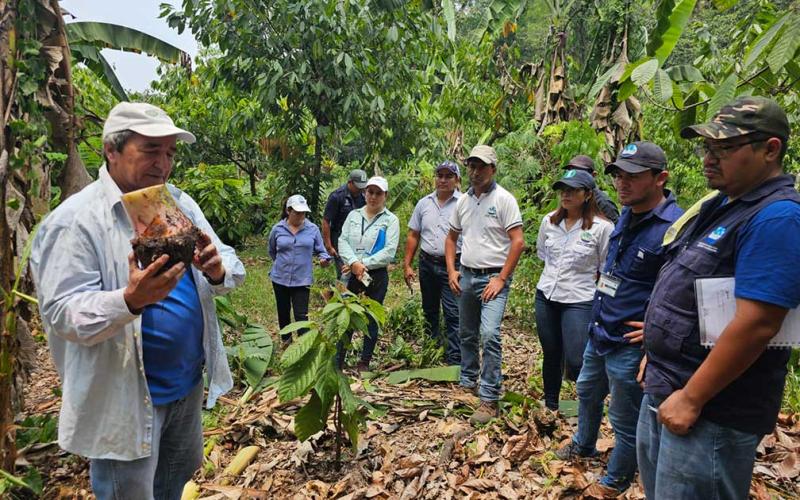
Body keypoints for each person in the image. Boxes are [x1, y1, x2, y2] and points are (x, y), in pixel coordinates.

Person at [29, 102, 245, 500]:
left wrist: (216, 270)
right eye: (150, 150)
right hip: (126, 398)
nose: (163, 164)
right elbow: (62, 313)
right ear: (111, 150)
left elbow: (230, 261)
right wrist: (129, 301)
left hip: (186, 386)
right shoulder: (75, 220)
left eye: (170, 153)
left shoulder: (176, 202)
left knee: (175, 480)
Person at [638, 96, 800, 499]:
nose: (709, 159)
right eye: (707, 147)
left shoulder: (777, 218)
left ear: (770, 150)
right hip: (669, 387)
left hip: (710, 409)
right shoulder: (723, 206)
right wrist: (656, 354)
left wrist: (692, 398)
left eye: (724, 148)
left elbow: (759, 323)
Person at [556, 142, 683, 493]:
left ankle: (616, 478)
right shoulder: (626, 213)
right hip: (601, 327)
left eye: (633, 176)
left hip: (629, 338)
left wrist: (657, 328)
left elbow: (680, 288)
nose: (622, 183)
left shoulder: (673, 226)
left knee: (625, 415)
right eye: (618, 175)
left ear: (660, 178)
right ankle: (584, 443)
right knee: (586, 389)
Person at [446, 145, 524, 425]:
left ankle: (489, 396)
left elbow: (518, 241)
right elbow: (451, 237)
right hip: (467, 274)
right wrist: (452, 270)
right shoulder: (463, 202)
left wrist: (501, 278)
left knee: (489, 333)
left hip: (493, 277)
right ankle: (468, 381)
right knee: (466, 332)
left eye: (481, 166)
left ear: (493, 169)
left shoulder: (504, 200)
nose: (475, 172)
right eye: (472, 166)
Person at [535, 169, 613, 411]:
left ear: (587, 194)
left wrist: (604, 304)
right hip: (547, 295)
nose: (565, 195)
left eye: (572, 190)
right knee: (551, 353)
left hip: (579, 299)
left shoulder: (602, 228)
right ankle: (550, 406)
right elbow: (543, 255)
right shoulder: (549, 221)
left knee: (577, 359)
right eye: (563, 190)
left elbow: (607, 269)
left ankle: (588, 407)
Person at [337, 176, 400, 371]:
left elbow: (389, 252)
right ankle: (339, 359)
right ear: (365, 193)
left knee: (372, 316)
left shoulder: (391, 220)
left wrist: (362, 264)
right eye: (370, 192)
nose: (373, 197)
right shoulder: (354, 216)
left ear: (385, 195)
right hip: (351, 275)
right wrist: (353, 262)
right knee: (346, 314)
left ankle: (364, 361)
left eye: (378, 193)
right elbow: (342, 240)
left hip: (376, 276)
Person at [403, 160, 463, 365]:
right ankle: (432, 350)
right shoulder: (424, 203)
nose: (443, 180)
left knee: (453, 312)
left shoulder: (463, 203)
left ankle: (455, 358)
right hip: (427, 263)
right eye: (440, 175)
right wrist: (407, 264)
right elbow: (413, 234)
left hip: (453, 266)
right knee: (429, 309)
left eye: (448, 176)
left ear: (457, 180)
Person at [268, 194, 331, 346]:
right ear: (288, 211)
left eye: (303, 212)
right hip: (280, 278)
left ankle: (303, 346)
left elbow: (322, 251)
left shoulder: (312, 229)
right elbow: (272, 251)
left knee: (301, 315)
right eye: (297, 212)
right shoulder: (277, 229)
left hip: (302, 280)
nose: (301, 216)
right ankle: (286, 342)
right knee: (283, 311)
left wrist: (324, 260)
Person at [322, 169, 368, 277]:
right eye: (358, 186)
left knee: (359, 268)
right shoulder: (337, 197)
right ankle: (343, 287)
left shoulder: (364, 196)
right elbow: (326, 221)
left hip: (358, 238)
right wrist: (329, 246)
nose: (360, 189)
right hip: (340, 237)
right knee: (344, 271)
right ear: (350, 182)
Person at [564, 154, 620, 223]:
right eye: (571, 172)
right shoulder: (566, 198)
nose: (575, 176)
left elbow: (615, 228)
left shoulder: (603, 204)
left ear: (593, 175)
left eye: (581, 173)